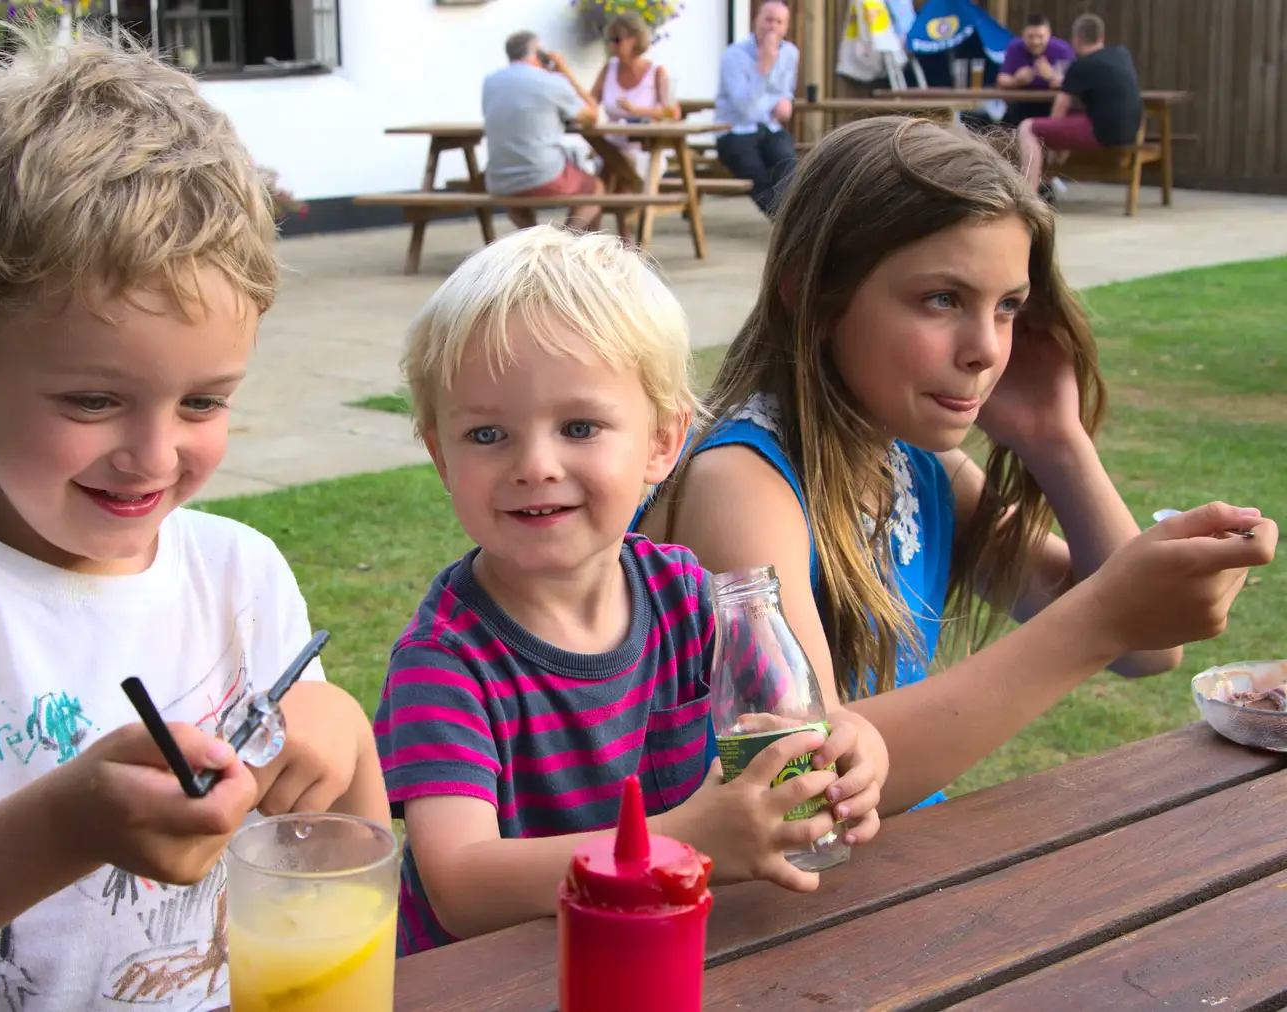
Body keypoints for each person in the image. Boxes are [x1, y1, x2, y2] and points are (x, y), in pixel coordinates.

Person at [0, 25, 388, 1010]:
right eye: (93, 402)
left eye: (202, 402)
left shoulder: (241, 573)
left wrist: (343, 733)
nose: (152, 454)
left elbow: (333, 866)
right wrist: (66, 825)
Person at [636, 116, 1277, 817]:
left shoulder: (919, 466)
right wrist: (1103, 619)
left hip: (892, 880)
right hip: (777, 910)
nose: (985, 349)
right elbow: (802, 788)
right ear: (813, 297)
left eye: (1006, 308)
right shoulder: (743, 484)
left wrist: (1057, 441)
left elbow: (1146, 650)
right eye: (942, 299)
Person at [374, 226, 885, 956]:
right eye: (488, 435)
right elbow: (459, 883)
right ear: (439, 454)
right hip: (498, 986)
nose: (535, 464)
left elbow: (800, 726)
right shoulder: (445, 662)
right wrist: (679, 842)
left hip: (658, 952)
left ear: (662, 443)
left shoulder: (686, 596)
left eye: (579, 426)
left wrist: (854, 750)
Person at [483, 31, 605, 232]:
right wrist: (565, 72)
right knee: (595, 189)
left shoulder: (491, 81)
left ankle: (536, 244)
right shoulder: (550, 82)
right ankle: (563, 244)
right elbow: (592, 115)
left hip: (499, 180)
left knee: (516, 199)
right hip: (543, 175)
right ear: (539, 54)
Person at [1019, 13, 1143, 193]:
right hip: (1132, 130)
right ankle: (1046, 183)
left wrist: (1056, 142)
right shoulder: (1121, 54)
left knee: (1028, 127)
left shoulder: (1080, 66)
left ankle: (1028, 194)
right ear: (1101, 37)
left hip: (1103, 133)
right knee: (1069, 122)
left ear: (1076, 39)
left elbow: (1059, 110)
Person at [713, 0, 799, 217]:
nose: (773, 26)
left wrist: (787, 103)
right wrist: (763, 67)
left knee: (789, 166)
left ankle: (791, 219)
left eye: (779, 22)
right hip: (735, 130)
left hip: (769, 126)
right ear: (756, 22)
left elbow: (784, 90)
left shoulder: (790, 53)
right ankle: (784, 224)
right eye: (768, 19)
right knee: (757, 179)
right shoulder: (734, 55)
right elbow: (745, 109)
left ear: (785, 27)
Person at [587, 12, 680, 184]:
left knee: (618, 175)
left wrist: (638, 111)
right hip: (611, 147)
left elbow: (673, 113)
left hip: (645, 149)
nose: (611, 46)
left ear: (635, 39)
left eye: (617, 40)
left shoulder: (656, 73)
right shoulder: (609, 69)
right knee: (607, 169)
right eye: (609, 40)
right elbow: (589, 103)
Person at [995, 14, 1075, 127]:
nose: (1035, 41)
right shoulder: (1014, 47)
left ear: (1049, 34)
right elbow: (1001, 79)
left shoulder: (1062, 50)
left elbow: (1074, 83)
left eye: (1040, 37)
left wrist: (1051, 76)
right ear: (1023, 35)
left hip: (1052, 105)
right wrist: (1015, 80)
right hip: (1022, 105)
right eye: (1030, 36)